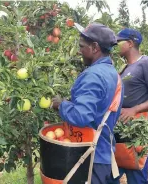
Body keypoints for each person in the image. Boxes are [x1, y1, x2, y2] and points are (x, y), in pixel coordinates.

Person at [51, 23, 124, 184]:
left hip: (91, 158)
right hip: (104, 152)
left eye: (82, 46)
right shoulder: (113, 73)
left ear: (95, 47)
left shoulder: (93, 76)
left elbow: (81, 116)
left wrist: (61, 105)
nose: (79, 51)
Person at [110, 28, 148, 184]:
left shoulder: (146, 63)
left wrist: (134, 109)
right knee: (111, 175)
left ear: (130, 43)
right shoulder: (125, 68)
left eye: (118, 42)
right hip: (121, 130)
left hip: (137, 131)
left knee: (137, 177)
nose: (116, 46)